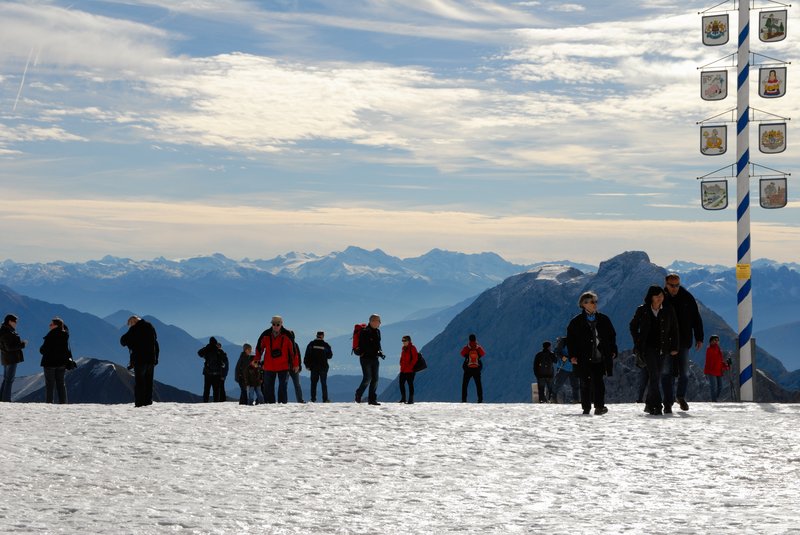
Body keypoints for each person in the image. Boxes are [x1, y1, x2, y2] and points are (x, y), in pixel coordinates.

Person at [629, 286, 679, 415]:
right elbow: (633, 326)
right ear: (650, 297)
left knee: (655, 376)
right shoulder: (642, 310)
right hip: (647, 348)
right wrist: (637, 340)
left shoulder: (668, 310)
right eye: (657, 295)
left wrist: (674, 347)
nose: (659, 298)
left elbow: (674, 329)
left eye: (661, 295)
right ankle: (657, 405)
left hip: (663, 348)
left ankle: (649, 404)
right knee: (654, 375)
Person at [566, 291, 617, 415]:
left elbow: (611, 336)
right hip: (583, 358)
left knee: (599, 382)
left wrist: (613, 350)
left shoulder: (604, 319)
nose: (595, 304)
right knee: (585, 382)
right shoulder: (576, 322)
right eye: (592, 302)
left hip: (600, 357)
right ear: (584, 304)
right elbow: (570, 340)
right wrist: (572, 356)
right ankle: (586, 408)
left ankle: (599, 407)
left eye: (595, 302)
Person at [663, 273, 704, 412]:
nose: (675, 288)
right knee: (666, 372)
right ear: (666, 284)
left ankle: (680, 397)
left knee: (684, 372)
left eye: (677, 285)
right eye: (672, 285)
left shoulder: (687, 297)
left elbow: (696, 318)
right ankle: (668, 402)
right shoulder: (660, 298)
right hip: (666, 342)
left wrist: (699, 337)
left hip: (684, 341)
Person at [256, 316, 297, 404]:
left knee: (282, 387)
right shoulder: (265, 334)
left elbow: (293, 351)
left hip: (283, 365)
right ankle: (269, 406)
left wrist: (295, 364)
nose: (275, 326)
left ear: (281, 324)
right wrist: (257, 359)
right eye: (274, 324)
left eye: (277, 324)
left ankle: (282, 406)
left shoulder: (287, 335)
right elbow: (259, 348)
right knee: (268, 387)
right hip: (269, 365)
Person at [120, 315, 160, 407]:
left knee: (140, 382)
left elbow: (123, 341)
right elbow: (156, 343)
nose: (130, 326)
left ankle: (139, 403)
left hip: (140, 360)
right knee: (149, 382)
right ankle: (148, 402)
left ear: (134, 321)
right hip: (151, 360)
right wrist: (156, 358)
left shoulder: (134, 329)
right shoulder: (150, 327)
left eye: (130, 324)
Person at [39, 317, 71, 404]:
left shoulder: (50, 336)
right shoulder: (65, 335)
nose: (49, 325)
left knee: (50, 385)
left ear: (56, 326)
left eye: (51, 324)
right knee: (61, 384)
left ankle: (49, 403)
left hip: (50, 363)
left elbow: (43, 350)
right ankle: (63, 402)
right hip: (61, 363)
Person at [355, 314, 383, 405]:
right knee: (368, 378)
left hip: (375, 358)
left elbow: (378, 344)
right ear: (371, 321)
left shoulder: (378, 332)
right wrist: (376, 352)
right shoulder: (365, 332)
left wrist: (380, 352)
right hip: (365, 358)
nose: (379, 323)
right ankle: (358, 394)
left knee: (375, 379)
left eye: (379, 321)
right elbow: (365, 346)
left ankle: (372, 399)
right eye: (377, 321)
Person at [0, 314, 26, 402]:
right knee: (9, 380)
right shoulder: (7, 331)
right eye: (15, 321)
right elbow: (9, 347)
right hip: (11, 358)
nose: (16, 323)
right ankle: (6, 399)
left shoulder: (4, 330)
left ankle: (2, 398)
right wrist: (22, 345)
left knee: (6, 379)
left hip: (6, 358)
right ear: (10, 321)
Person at [304, 331, 333, 403]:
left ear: (316, 335)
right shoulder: (326, 345)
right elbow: (330, 356)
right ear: (323, 336)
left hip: (313, 367)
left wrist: (307, 365)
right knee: (323, 383)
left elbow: (307, 355)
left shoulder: (311, 344)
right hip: (323, 367)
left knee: (313, 383)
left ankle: (313, 399)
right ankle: (325, 399)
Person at [198, 337, 228, 402]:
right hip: (217, 373)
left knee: (206, 389)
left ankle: (205, 402)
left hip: (207, 373)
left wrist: (206, 347)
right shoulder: (219, 350)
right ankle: (216, 403)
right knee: (216, 390)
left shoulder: (207, 349)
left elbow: (199, 353)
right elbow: (225, 358)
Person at [552, 336, 579, 404]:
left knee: (575, 384)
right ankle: (553, 398)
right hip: (564, 366)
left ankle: (576, 399)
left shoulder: (577, 340)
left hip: (573, 367)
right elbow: (557, 352)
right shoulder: (563, 341)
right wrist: (563, 358)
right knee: (559, 383)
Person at [460, 333, 485, 403]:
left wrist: (467, 355)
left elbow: (462, 353)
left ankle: (464, 400)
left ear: (469, 339)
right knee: (478, 384)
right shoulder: (478, 347)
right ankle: (480, 399)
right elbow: (483, 353)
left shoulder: (467, 347)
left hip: (468, 369)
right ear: (475, 339)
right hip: (476, 369)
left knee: (465, 384)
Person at [704, 335, 729, 402]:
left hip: (718, 370)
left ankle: (715, 398)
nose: (716, 341)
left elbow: (719, 360)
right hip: (711, 370)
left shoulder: (718, 349)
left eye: (718, 340)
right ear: (711, 341)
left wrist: (725, 365)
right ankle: (714, 401)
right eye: (715, 340)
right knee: (713, 387)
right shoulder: (710, 349)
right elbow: (711, 360)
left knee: (720, 386)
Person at [398, 335, 419, 404]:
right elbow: (402, 357)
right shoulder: (403, 348)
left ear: (408, 341)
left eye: (404, 340)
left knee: (410, 384)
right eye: (402, 341)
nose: (403, 342)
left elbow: (415, 358)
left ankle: (411, 399)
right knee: (401, 383)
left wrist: (410, 366)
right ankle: (403, 398)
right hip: (403, 369)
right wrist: (401, 363)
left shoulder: (412, 348)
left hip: (410, 370)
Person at [286, 330, 305, 403]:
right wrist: (299, 366)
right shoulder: (295, 344)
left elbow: (298, 356)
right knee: (297, 385)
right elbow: (298, 356)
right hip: (294, 367)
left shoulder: (286, 344)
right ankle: (300, 400)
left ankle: (284, 400)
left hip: (287, 367)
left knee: (285, 385)